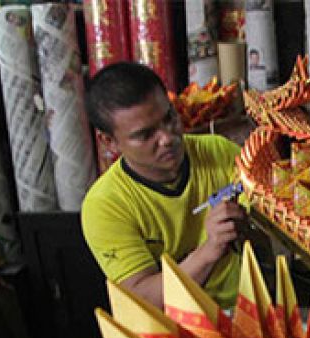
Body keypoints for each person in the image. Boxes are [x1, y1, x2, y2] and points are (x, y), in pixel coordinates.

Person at [82, 62, 245, 310]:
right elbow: (144, 298)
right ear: (110, 142)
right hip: (168, 333)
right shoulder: (105, 205)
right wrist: (209, 249)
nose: (167, 138)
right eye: (145, 135)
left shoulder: (219, 152)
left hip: (241, 312)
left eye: (169, 118)